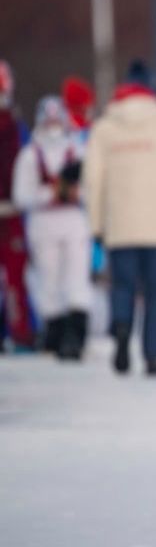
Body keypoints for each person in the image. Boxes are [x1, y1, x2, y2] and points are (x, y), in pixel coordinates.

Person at [84, 59, 156, 377]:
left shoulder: (105, 127)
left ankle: (121, 328)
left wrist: (95, 224)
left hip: (119, 225)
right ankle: (152, 355)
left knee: (122, 286)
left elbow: (94, 180)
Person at [12, 96, 90, 360]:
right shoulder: (30, 155)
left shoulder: (78, 150)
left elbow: (92, 188)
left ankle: (77, 333)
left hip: (73, 221)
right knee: (49, 279)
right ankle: (55, 334)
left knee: (76, 277)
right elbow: (21, 196)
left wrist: (75, 193)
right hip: (43, 222)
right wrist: (50, 194)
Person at [0, 60, 35, 352]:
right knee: (14, 279)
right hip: (12, 210)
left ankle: (20, 332)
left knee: (15, 278)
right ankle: (20, 332)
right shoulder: (15, 125)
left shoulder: (15, 126)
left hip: (12, 211)